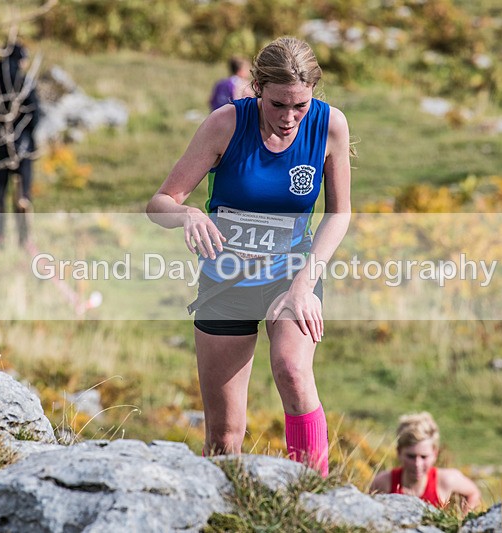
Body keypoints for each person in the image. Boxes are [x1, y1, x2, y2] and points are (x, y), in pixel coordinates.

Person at [147, 36, 352, 477]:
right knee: (224, 436)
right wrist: (185, 215)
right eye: (279, 104)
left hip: (293, 274)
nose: (290, 117)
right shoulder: (225, 124)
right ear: (257, 87)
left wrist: (303, 286)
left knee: (293, 372)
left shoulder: (330, 125)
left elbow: (340, 214)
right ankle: (223, 509)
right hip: (227, 281)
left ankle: (311, 498)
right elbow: (160, 202)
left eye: (300, 105)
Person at [0, 42, 40, 245]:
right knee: (22, 194)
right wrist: (27, 136)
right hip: (23, 147)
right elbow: (35, 115)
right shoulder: (25, 82)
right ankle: (24, 239)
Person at [370, 412, 482, 513]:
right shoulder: (383, 482)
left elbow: (473, 493)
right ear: (399, 452)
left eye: (424, 457)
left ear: (435, 454)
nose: (417, 464)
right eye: (411, 456)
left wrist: (464, 523)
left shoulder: (446, 480)